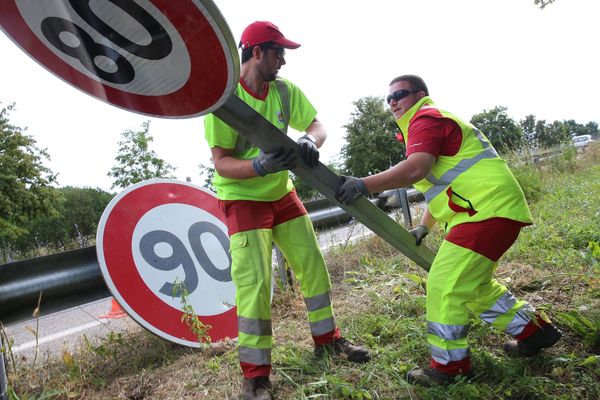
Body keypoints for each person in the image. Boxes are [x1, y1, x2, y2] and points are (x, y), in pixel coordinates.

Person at [336, 75, 561, 386]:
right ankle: (535, 332)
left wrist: (362, 184)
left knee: (444, 285)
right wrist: (423, 227)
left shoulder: (425, 119)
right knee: (474, 287)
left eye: (399, 94)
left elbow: (415, 170)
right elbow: (440, 188)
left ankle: (449, 367)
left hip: (485, 211)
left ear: (420, 95)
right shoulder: (424, 126)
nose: (392, 102)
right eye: (388, 99)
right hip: (490, 210)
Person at [203, 21, 370, 400]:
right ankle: (256, 376)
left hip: (282, 193)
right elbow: (222, 163)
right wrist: (258, 167)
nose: (283, 61)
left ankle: (328, 341)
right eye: (278, 53)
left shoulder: (283, 91)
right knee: (256, 284)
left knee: (312, 264)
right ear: (256, 52)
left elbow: (317, 124)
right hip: (243, 197)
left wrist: (311, 138)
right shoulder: (224, 102)